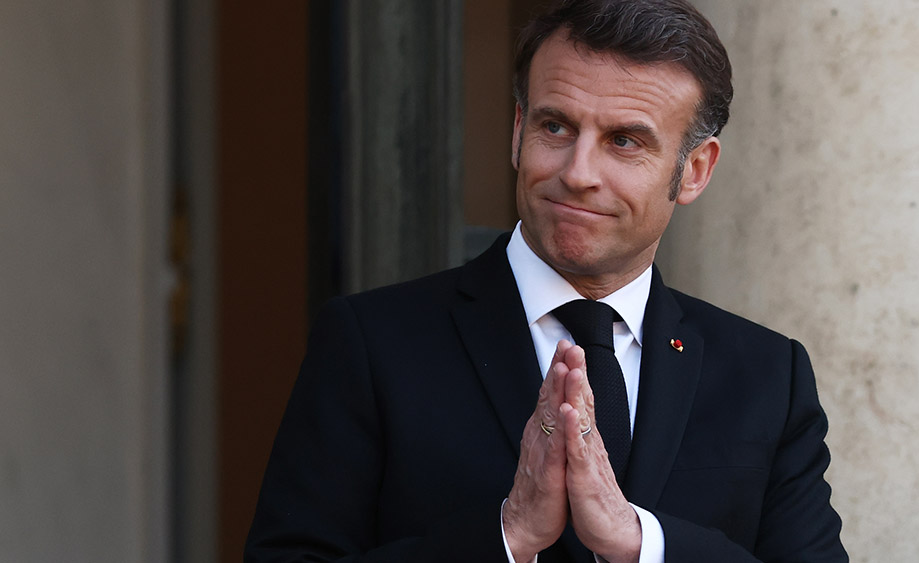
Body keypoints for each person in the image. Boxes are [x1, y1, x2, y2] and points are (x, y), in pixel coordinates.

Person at [245, 0, 848, 561]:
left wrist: (642, 543)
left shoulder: (768, 376)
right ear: (517, 130)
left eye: (624, 141)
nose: (578, 172)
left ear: (693, 170)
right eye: (555, 127)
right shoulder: (372, 344)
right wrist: (506, 536)